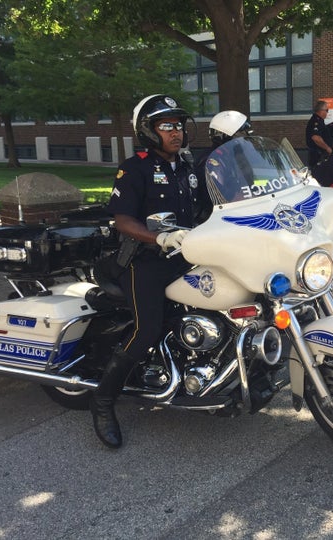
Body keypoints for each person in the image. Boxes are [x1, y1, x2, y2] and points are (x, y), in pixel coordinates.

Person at [91, 94, 203, 449]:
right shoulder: (135, 167)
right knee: (147, 329)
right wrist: (161, 237)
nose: (177, 131)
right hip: (144, 261)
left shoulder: (188, 165)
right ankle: (103, 401)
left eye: (179, 125)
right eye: (167, 125)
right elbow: (122, 220)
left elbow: (217, 203)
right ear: (149, 130)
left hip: (186, 256)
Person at [305, 100, 333, 168]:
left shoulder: (320, 121)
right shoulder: (316, 121)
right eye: (327, 110)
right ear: (321, 110)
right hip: (317, 155)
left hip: (321, 154)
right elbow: (316, 138)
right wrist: (327, 148)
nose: (327, 112)